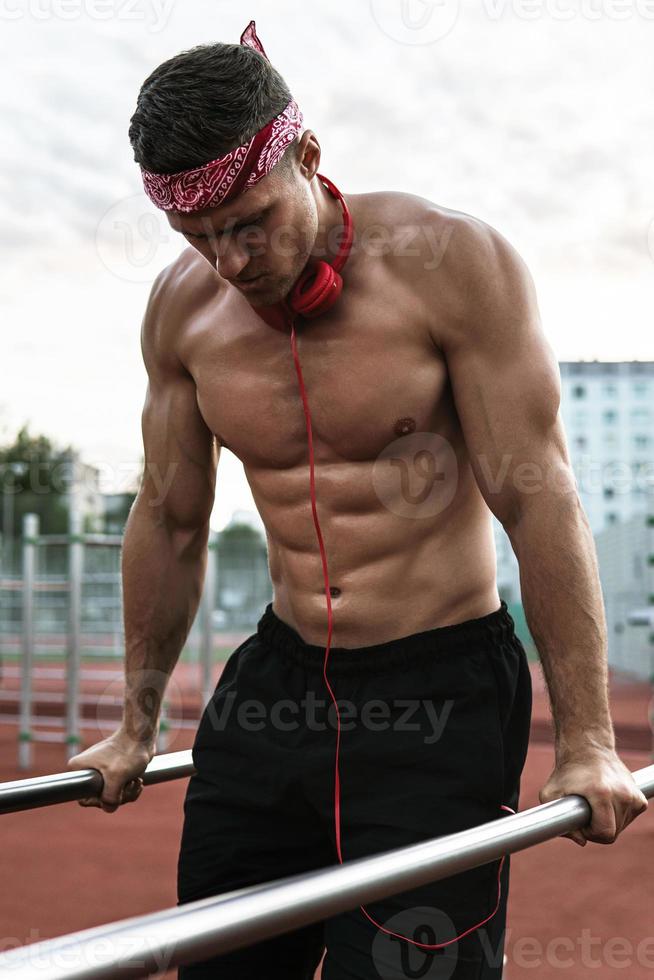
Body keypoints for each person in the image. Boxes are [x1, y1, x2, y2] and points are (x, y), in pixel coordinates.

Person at [66, 21, 648, 980]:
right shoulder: (181, 310)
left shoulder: (455, 265)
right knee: (221, 962)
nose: (233, 260)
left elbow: (538, 500)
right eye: (200, 236)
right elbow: (170, 518)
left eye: (251, 222)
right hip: (277, 685)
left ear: (307, 155)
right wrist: (137, 722)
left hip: (441, 688)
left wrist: (589, 739)